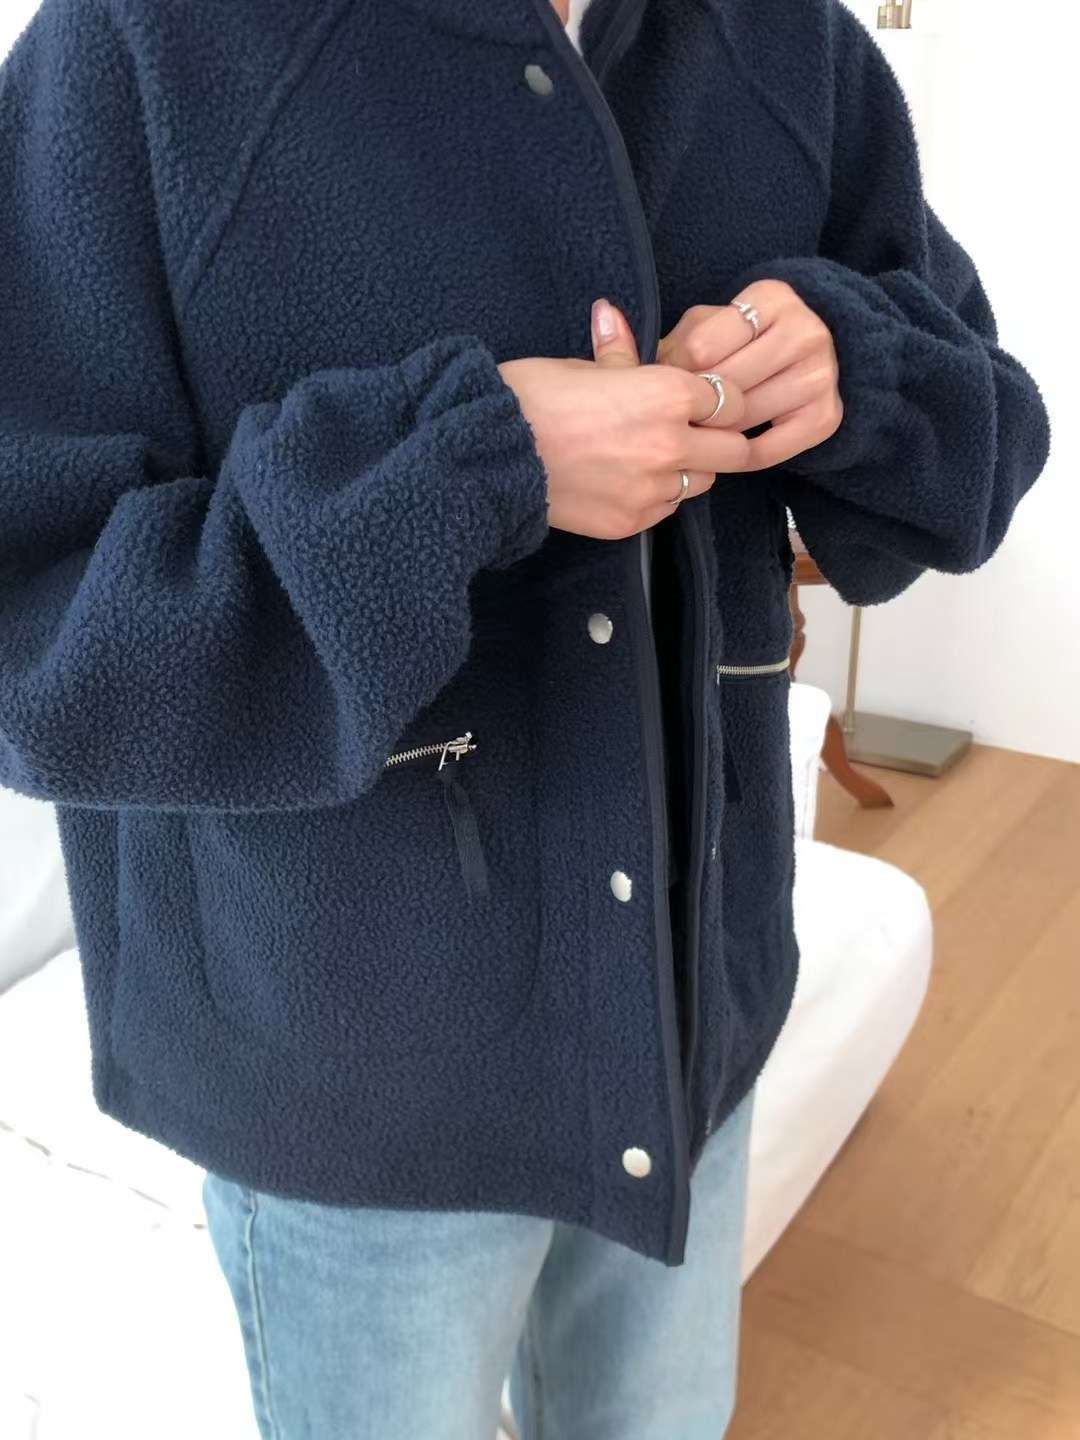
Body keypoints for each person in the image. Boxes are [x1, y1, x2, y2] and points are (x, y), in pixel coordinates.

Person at [0, 0, 1050, 1434]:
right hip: (355, 1093)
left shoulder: (783, 38)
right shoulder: (147, 44)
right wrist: (464, 472)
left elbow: (987, 433)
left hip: (690, 1011)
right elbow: (41, 641)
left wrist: (852, 366)